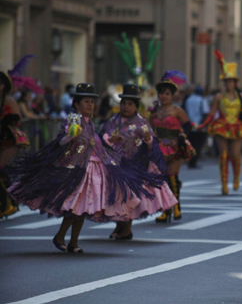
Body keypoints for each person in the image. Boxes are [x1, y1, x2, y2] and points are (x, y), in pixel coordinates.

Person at [8, 83, 164, 253]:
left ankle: (73, 242)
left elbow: (98, 141)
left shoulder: (90, 122)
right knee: (77, 207)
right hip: (76, 168)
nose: (90, 105)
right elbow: (63, 140)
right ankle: (60, 236)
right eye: (86, 101)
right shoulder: (75, 119)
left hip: (90, 167)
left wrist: (112, 140)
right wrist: (70, 136)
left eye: (92, 101)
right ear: (77, 104)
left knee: (82, 207)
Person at [101, 84, 177, 240]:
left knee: (128, 197)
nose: (126, 106)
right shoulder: (112, 121)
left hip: (135, 165)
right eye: (124, 103)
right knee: (116, 196)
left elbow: (151, 146)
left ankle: (126, 228)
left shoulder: (142, 123)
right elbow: (102, 137)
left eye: (130, 104)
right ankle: (119, 226)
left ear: (136, 107)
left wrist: (148, 141)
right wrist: (109, 140)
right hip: (114, 164)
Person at [198, 53, 242, 195]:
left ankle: (236, 178)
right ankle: (224, 183)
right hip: (222, 126)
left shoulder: (241, 96)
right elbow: (212, 113)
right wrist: (203, 124)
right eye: (227, 81)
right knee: (223, 155)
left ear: (235, 82)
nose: (229, 83)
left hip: (236, 126)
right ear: (224, 82)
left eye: (231, 81)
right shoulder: (219, 96)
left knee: (235, 155)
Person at [150, 71, 196, 222]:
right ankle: (164, 209)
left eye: (167, 94)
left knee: (172, 176)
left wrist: (181, 135)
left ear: (172, 95)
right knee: (161, 178)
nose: (164, 96)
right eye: (161, 93)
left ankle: (176, 206)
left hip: (175, 146)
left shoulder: (177, 110)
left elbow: (188, 125)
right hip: (158, 148)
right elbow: (149, 128)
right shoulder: (154, 111)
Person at [0, 71, 29, 218]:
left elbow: (17, 120)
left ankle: (7, 205)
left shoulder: (9, 100)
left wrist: (7, 120)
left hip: (8, 139)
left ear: (4, 86)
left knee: (1, 169)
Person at [184, 85, 210, 168]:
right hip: (199, 125)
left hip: (190, 124)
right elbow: (205, 112)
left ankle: (190, 161)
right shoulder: (202, 100)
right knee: (198, 145)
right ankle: (193, 162)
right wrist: (204, 124)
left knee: (190, 144)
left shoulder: (189, 99)